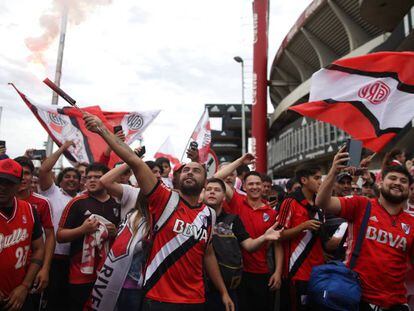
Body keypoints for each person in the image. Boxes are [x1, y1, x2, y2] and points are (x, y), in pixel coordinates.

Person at [83, 113, 234, 311]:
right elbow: (133, 160)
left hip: (196, 300)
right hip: (158, 299)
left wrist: (223, 292)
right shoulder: (165, 199)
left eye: (196, 170)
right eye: (185, 170)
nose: (189, 172)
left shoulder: (209, 215)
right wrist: (102, 130)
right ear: (178, 179)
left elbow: (208, 255)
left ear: (205, 182)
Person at [316, 147, 414, 310]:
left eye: (403, 181)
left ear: (409, 188)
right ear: (381, 182)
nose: (397, 183)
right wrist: (333, 171)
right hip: (357, 298)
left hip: (396, 303)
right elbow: (322, 202)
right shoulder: (361, 204)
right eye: (393, 178)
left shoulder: (411, 222)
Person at [214, 154, 282, 311]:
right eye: (250, 184)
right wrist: (238, 162)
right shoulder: (236, 201)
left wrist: (277, 272)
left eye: (258, 184)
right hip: (237, 272)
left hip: (262, 272)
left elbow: (277, 244)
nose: (255, 187)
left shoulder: (271, 213)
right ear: (243, 186)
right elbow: (216, 180)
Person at [57, 163, 120, 310]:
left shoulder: (118, 202)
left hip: (108, 272)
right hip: (80, 273)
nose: (92, 180)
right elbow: (60, 236)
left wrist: (115, 232)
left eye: (97, 177)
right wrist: (82, 229)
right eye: (88, 177)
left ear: (107, 179)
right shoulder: (77, 202)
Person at [38, 141, 81, 311]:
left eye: (75, 178)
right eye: (67, 177)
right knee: (47, 300)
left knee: (64, 302)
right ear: (60, 180)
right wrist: (63, 148)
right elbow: (44, 170)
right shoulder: (51, 192)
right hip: (50, 258)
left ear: (80, 182)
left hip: (72, 260)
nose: (72, 180)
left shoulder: (81, 199)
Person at [277, 164, 324, 311]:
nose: (320, 182)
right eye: (316, 178)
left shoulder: (321, 203)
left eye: (321, 178)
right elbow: (278, 235)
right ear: (304, 180)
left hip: (318, 271)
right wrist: (302, 227)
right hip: (297, 271)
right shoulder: (289, 202)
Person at [0, 158, 45, 311]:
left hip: (19, 294)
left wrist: (25, 286)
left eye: (9, 183)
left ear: (20, 185)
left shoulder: (29, 210)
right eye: (0, 181)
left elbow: (39, 248)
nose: (2, 187)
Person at [14, 156, 55, 307]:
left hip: (32, 270)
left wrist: (45, 268)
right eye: (18, 172)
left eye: (26, 173)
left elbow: (50, 236)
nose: (22, 177)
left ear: (32, 176)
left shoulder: (42, 203)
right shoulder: (3, 200)